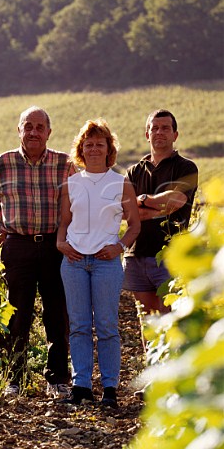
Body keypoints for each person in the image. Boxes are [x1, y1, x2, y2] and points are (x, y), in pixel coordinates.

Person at [0, 106, 75, 398]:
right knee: (17, 314)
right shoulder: (4, 163)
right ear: (19, 130)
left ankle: (57, 380)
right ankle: (14, 379)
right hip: (17, 246)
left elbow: (80, 201)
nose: (34, 132)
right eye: (28, 126)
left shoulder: (64, 164)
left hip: (55, 245)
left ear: (49, 133)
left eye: (40, 127)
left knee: (57, 313)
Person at [56, 118, 140, 409]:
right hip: (74, 262)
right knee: (78, 326)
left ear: (108, 149)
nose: (93, 148)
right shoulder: (71, 184)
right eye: (88, 144)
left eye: (99, 144)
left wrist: (118, 246)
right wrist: (60, 243)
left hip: (106, 264)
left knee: (106, 326)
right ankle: (81, 386)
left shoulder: (121, 183)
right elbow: (65, 223)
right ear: (81, 149)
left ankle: (109, 388)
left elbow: (134, 226)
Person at [123, 109, 198, 315]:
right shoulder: (133, 171)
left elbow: (177, 200)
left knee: (171, 320)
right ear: (147, 134)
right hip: (136, 254)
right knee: (148, 324)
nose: (159, 132)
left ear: (175, 134)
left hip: (170, 255)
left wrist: (144, 200)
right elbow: (125, 212)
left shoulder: (186, 167)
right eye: (154, 128)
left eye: (165, 128)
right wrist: (160, 207)